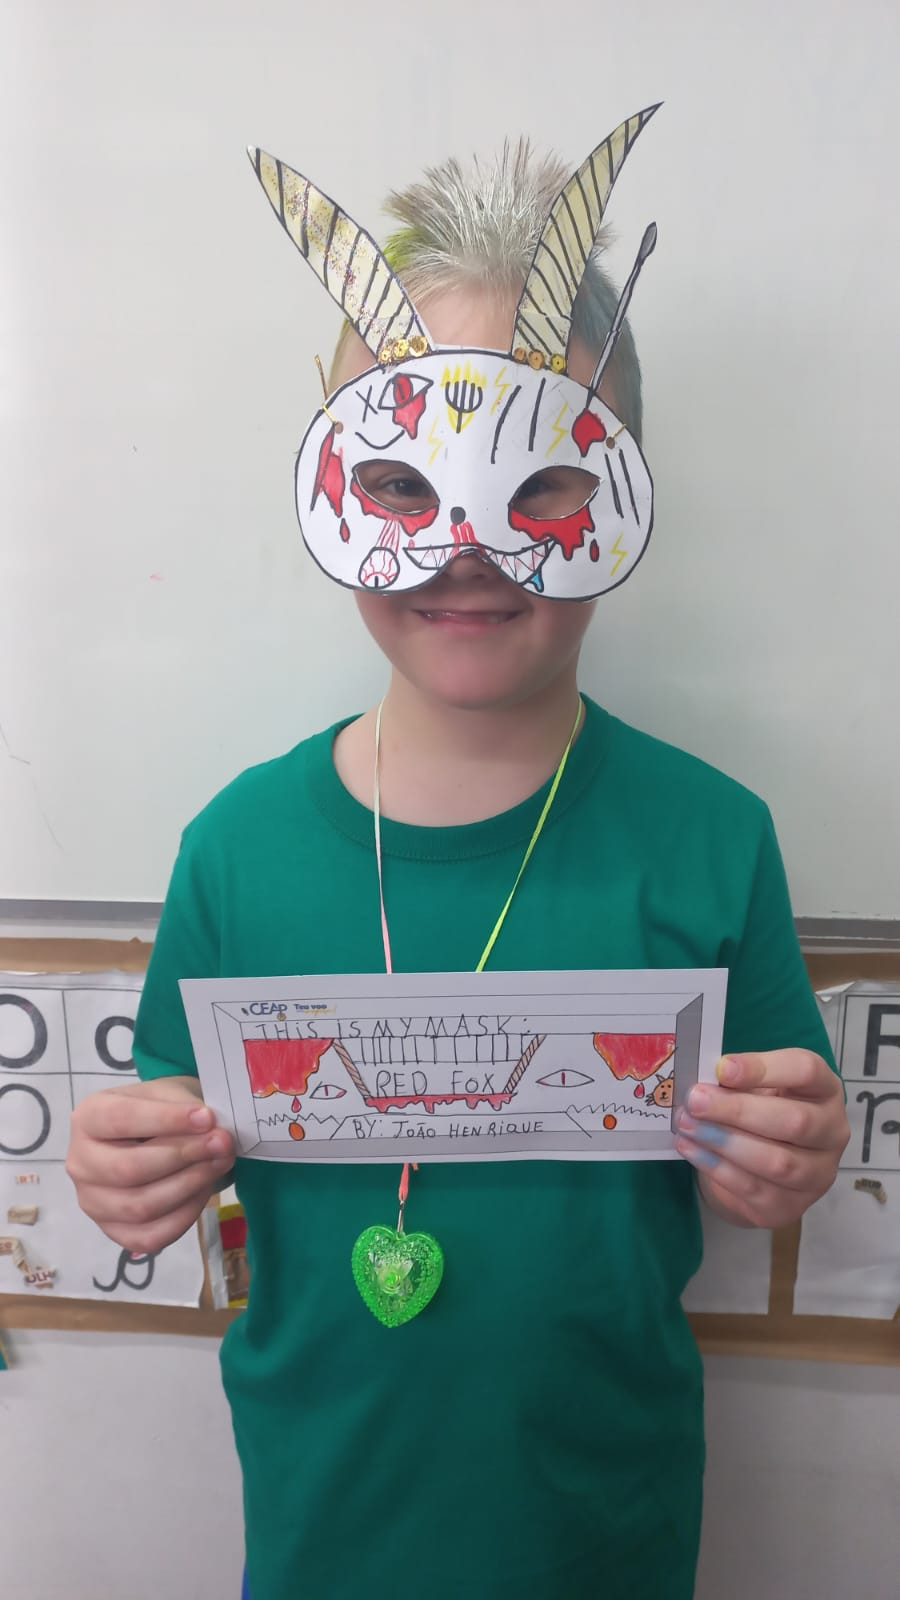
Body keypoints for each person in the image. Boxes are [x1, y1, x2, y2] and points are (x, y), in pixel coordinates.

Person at [67, 114, 849, 1600]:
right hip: (325, 1527)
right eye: (406, 483)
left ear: (621, 489)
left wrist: (790, 1153)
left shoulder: (709, 837)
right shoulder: (236, 849)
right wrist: (135, 1164)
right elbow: (177, 1124)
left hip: (600, 1532)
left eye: (539, 484)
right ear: (333, 481)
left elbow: (774, 1141)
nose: (468, 548)